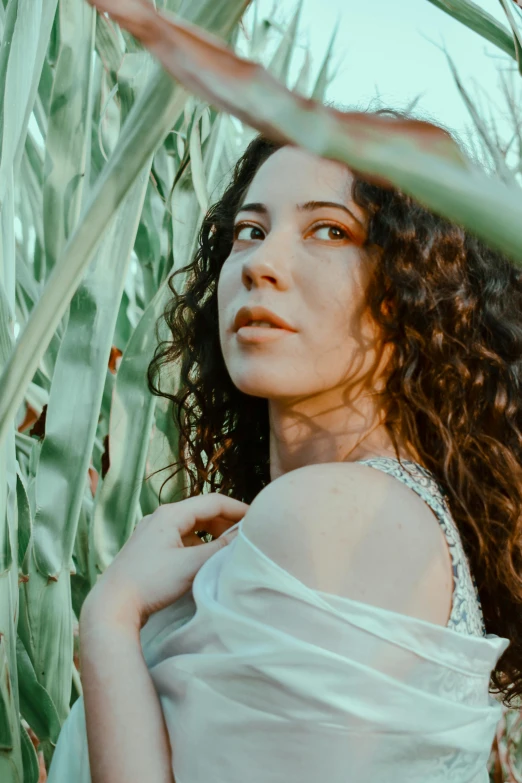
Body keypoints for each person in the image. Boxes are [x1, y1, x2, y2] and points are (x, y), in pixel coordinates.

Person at [47, 112, 522, 783]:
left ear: (412, 288)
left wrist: (109, 616)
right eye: (250, 230)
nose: (262, 263)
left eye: (330, 229)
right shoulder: (362, 511)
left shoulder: (334, 512)